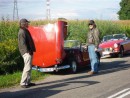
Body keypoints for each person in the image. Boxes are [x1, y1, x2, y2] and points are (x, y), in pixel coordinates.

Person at [18, 18, 36, 88]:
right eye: (27, 23)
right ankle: (23, 83)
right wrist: (27, 52)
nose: (28, 24)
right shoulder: (21, 32)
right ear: (24, 24)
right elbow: (22, 44)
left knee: (29, 67)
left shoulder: (25, 30)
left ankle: (28, 82)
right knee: (27, 67)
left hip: (29, 52)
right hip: (26, 52)